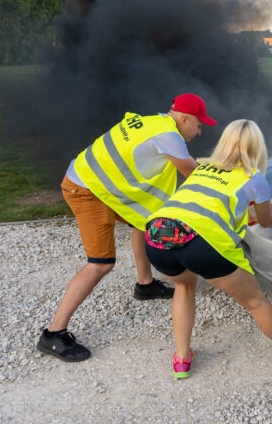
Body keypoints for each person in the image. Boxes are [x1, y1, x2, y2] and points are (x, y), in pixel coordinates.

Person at [37, 94, 211, 362]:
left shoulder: (154, 122)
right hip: (86, 190)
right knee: (100, 263)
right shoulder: (169, 136)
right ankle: (53, 334)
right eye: (199, 125)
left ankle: (145, 285)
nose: (199, 131)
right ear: (185, 118)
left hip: (99, 184)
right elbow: (193, 174)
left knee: (142, 221)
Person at [144, 120, 272, 378]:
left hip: (159, 235)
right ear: (257, 146)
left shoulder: (201, 166)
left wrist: (247, 214)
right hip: (203, 243)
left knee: (185, 285)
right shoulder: (253, 177)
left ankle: (182, 359)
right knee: (255, 301)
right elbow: (266, 221)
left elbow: (210, 204)